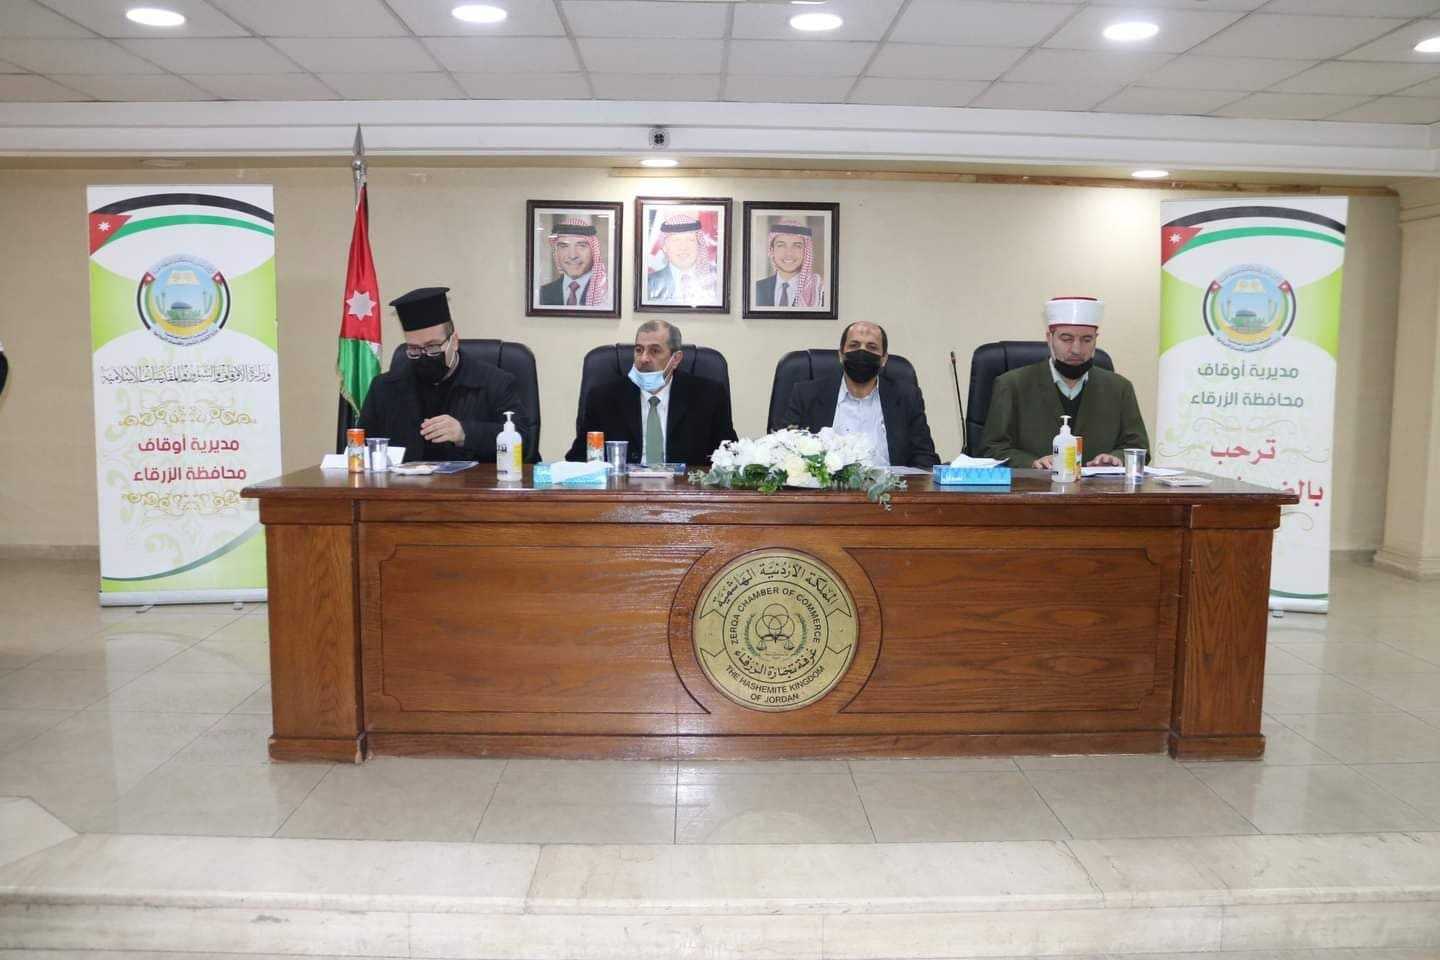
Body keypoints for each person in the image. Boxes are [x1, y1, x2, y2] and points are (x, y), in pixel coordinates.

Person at [360, 287, 532, 463]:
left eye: (433, 347)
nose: (425, 355)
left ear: (454, 342)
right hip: (403, 481)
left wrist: (464, 433)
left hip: (472, 481)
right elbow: (361, 450)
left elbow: (525, 442)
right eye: (414, 349)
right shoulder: (385, 388)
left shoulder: (495, 382)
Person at [980, 296, 1149, 469]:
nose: (1076, 349)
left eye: (1087, 340)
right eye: (1067, 339)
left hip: (1098, 485)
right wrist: (1032, 463)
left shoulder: (1119, 388)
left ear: (1096, 340)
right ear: (1049, 338)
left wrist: (1116, 458)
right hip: (1035, 485)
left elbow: (1138, 447)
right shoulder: (1012, 385)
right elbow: (991, 449)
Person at [566, 319, 736, 465]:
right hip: (622, 489)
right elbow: (578, 459)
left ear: (675, 359)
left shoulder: (708, 396)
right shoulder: (603, 398)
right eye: (639, 350)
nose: (644, 359)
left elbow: (731, 457)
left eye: (655, 351)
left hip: (684, 490)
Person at [781, 321, 940, 470]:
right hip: (826, 489)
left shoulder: (907, 397)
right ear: (841, 355)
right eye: (854, 345)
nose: (862, 352)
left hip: (891, 489)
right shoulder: (806, 395)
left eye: (872, 347)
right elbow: (783, 452)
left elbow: (924, 459)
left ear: (884, 359)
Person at [646, 212, 719, 306]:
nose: (683, 247)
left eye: (690, 240)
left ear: (699, 244)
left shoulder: (717, 279)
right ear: (664, 247)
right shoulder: (649, 283)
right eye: (676, 240)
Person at [754, 217, 827, 308]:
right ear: (772, 251)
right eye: (781, 245)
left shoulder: (819, 292)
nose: (789, 253)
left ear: (806, 252)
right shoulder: (756, 289)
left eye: (797, 246)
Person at [538, 215, 609, 308]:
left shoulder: (607, 294)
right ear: (556, 252)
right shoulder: (542, 294)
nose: (572, 255)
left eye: (581, 246)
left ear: (593, 251)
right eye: (564, 246)